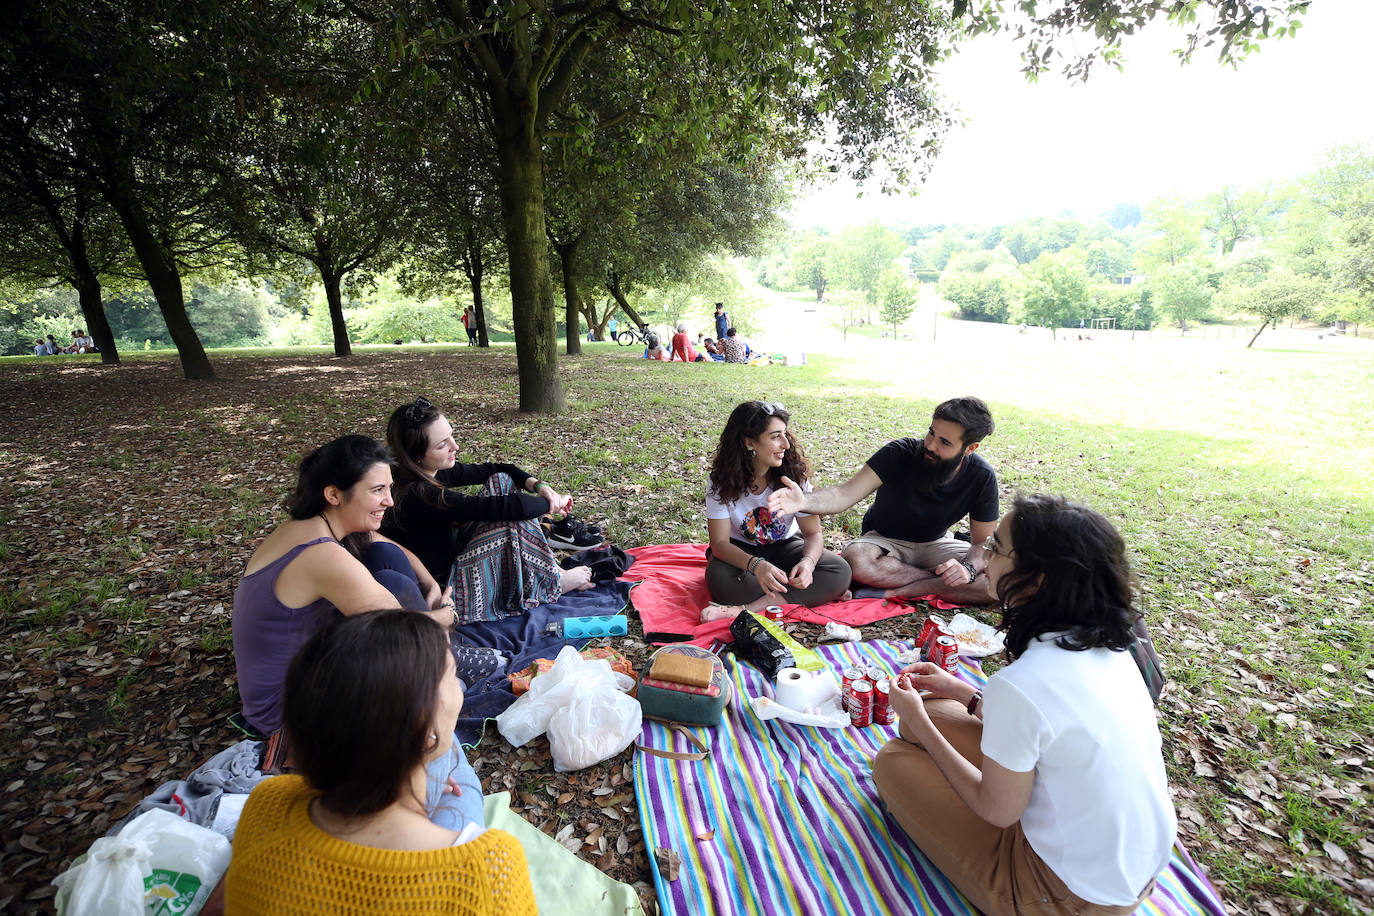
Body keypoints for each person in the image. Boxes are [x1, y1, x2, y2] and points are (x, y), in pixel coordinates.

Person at [872, 494, 1176, 915]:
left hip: (1064, 895)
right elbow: (1049, 726)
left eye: (997, 548)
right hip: (1124, 865)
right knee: (936, 715)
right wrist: (961, 693)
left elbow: (996, 810)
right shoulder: (1110, 643)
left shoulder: (1024, 684)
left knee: (893, 758)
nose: (986, 559)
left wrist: (919, 722)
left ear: (1039, 580)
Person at [224, 610, 537, 915]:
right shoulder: (486, 870)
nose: (458, 687)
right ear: (419, 725)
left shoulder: (266, 805)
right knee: (454, 761)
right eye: (453, 676)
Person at [232, 435, 450, 737]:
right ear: (334, 494)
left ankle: (440, 651)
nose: (389, 500)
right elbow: (406, 629)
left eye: (388, 488)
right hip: (289, 714)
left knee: (383, 555)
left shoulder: (305, 527)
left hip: (303, 676)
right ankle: (442, 657)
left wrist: (428, 580)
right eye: (377, 490)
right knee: (396, 593)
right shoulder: (323, 556)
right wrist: (447, 613)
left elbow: (378, 540)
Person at [382, 396, 595, 625]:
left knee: (501, 481)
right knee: (512, 516)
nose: (456, 446)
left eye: (451, 436)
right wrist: (554, 504)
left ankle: (549, 573)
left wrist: (541, 487)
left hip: (454, 552)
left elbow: (501, 469)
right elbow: (513, 507)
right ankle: (551, 583)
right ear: (416, 456)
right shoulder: (418, 493)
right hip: (450, 589)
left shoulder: (429, 470)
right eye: (442, 444)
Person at [769, 396, 997, 604]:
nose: (930, 445)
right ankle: (932, 585)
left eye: (944, 442)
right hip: (884, 542)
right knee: (857, 561)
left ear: (970, 448)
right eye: (931, 433)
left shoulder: (982, 476)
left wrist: (968, 570)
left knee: (997, 580)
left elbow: (982, 543)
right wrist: (803, 502)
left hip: (936, 544)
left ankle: (893, 592)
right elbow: (844, 494)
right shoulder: (899, 453)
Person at [700, 401, 850, 620]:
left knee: (839, 572)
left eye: (785, 434)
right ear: (750, 443)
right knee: (721, 582)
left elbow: (813, 533)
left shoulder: (794, 476)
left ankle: (747, 609)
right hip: (741, 552)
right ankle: (807, 593)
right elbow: (720, 544)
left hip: (786, 547)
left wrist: (807, 564)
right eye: (775, 436)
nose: (786, 445)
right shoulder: (721, 480)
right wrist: (757, 566)